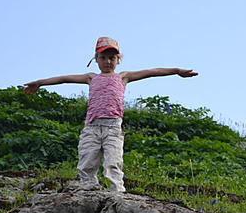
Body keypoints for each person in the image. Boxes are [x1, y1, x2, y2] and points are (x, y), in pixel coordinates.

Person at [23, 37, 198, 192]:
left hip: (113, 128)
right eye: (103, 58)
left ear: (118, 60)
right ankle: (87, 187)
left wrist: (176, 70)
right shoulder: (91, 77)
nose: (108, 62)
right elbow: (63, 79)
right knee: (87, 160)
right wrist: (39, 83)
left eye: (112, 58)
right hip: (92, 127)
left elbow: (152, 72)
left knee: (113, 161)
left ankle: (117, 191)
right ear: (96, 59)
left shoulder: (123, 77)